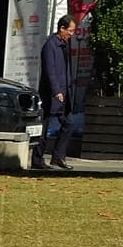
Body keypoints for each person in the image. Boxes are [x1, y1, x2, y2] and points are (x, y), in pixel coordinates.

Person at [37, 14, 77, 171]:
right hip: (53, 93)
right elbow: (50, 71)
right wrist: (56, 90)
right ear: (62, 28)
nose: (72, 34)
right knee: (44, 126)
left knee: (69, 123)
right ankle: (37, 159)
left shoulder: (64, 45)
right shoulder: (50, 46)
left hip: (64, 92)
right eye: (70, 31)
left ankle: (58, 157)